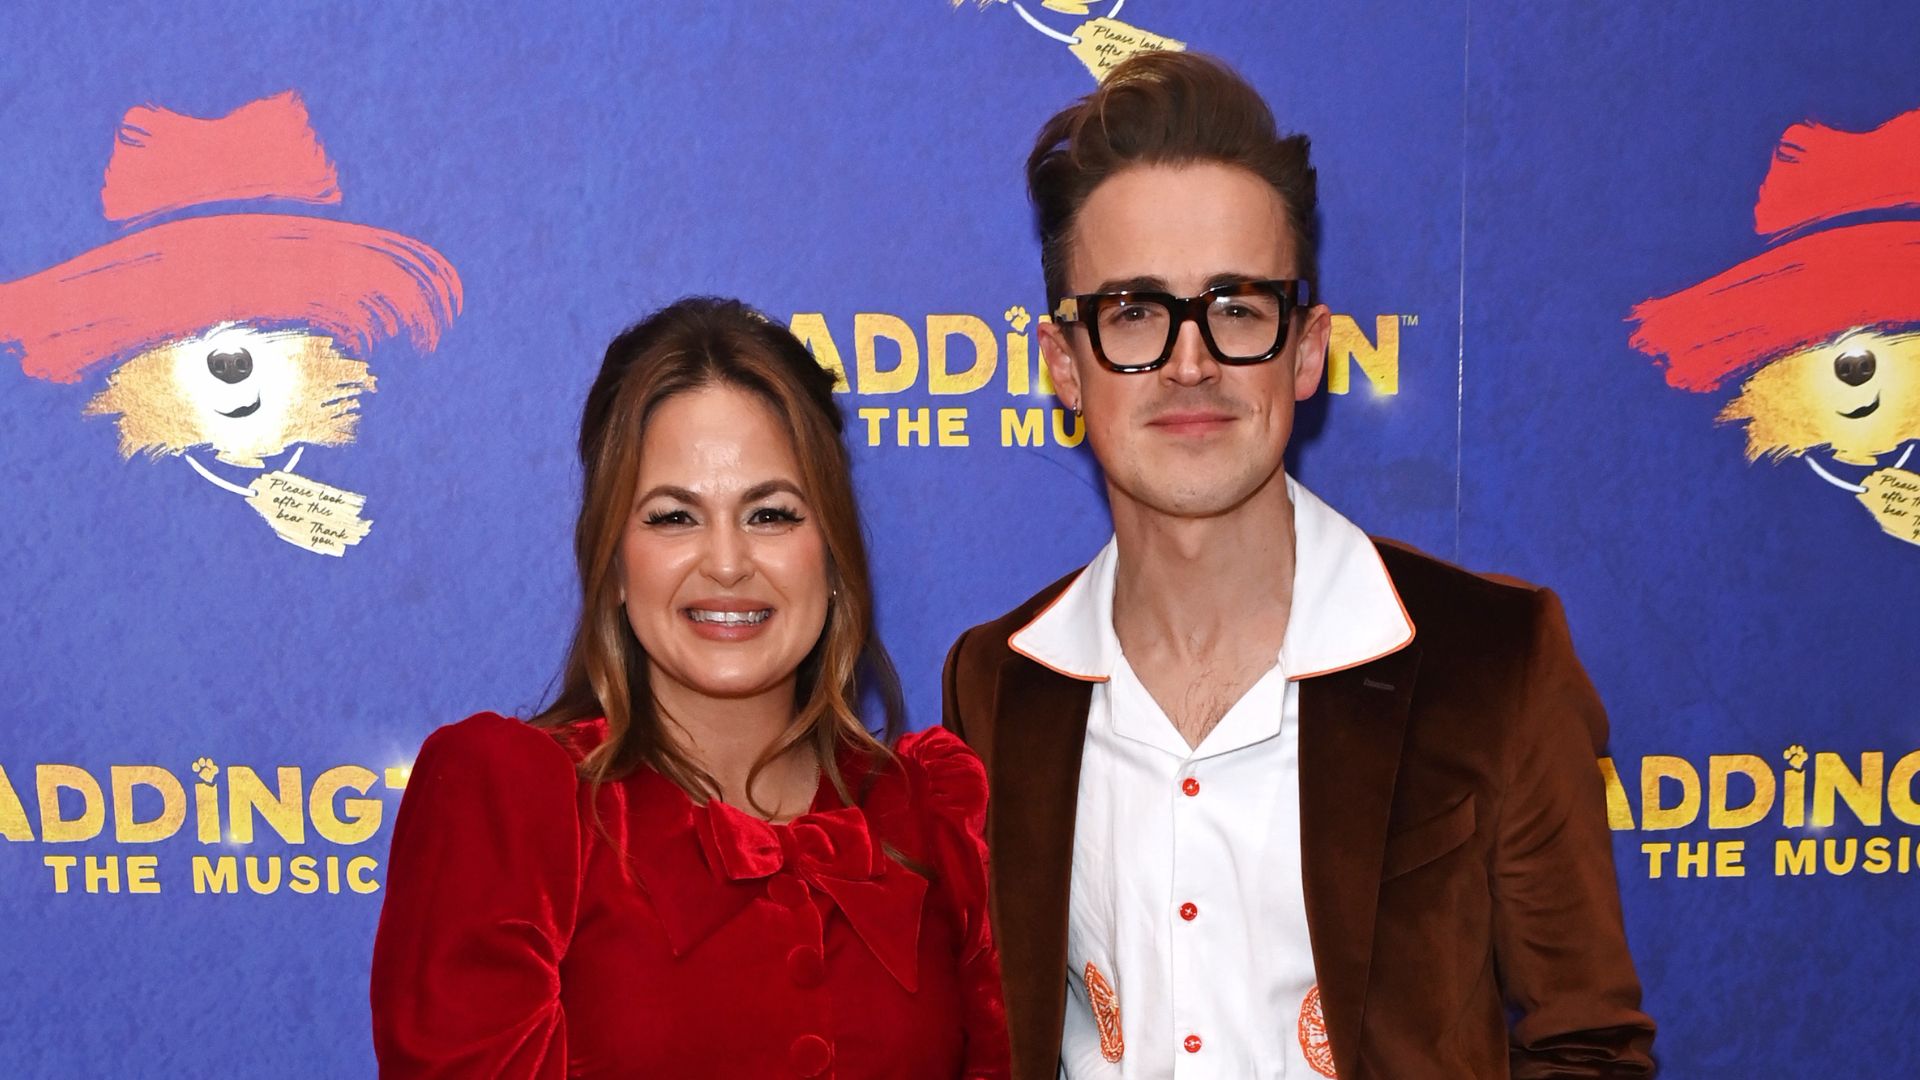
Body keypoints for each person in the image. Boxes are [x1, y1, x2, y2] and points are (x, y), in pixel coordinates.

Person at [941, 53, 1656, 1079]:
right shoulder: (999, 684)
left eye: (1236, 307)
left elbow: (1586, 1051)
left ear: (1307, 349)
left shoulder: (1493, 663)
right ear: (1065, 363)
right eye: (1135, 312)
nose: (1191, 362)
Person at [372, 298, 1009, 1078]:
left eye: (772, 513)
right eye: (675, 518)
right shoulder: (513, 804)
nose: (728, 561)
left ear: (833, 554)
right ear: (611, 562)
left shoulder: (938, 814)